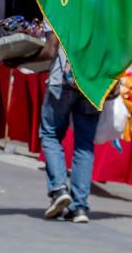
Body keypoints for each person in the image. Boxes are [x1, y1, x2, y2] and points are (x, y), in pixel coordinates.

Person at [38, 30, 104, 223]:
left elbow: (50, 50)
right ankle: (79, 207)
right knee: (84, 145)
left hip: (63, 80)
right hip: (93, 82)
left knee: (50, 134)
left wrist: (19, 58)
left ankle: (59, 189)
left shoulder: (59, 1)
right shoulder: (103, 7)